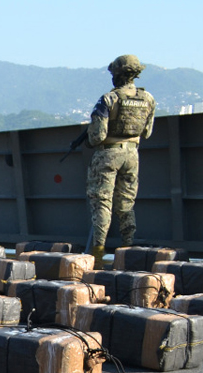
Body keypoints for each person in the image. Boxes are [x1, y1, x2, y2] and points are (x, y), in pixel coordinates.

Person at [86, 54, 156, 267]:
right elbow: (148, 132)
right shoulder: (148, 99)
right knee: (126, 203)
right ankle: (128, 251)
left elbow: (96, 136)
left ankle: (98, 254)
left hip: (108, 154)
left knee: (102, 203)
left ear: (117, 74)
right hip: (132, 155)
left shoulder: (109, 99)